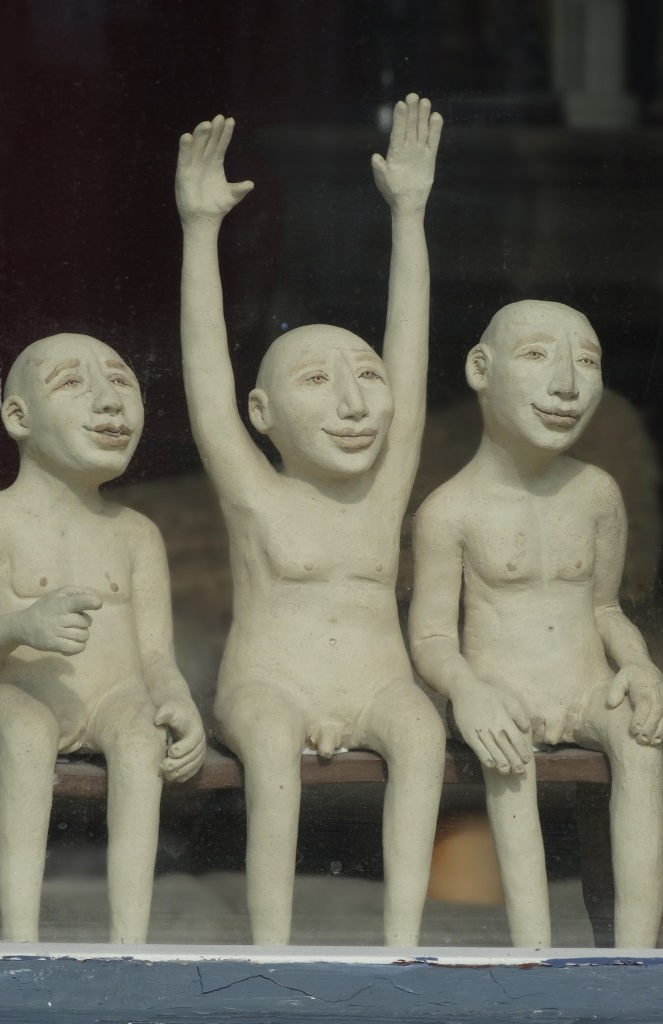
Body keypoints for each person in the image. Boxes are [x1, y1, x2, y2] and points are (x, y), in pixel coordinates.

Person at [175, 96, 446, 945]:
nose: (355, 404)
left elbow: (410, 347)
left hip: (377, 683)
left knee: (422, 733)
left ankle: (404, 947)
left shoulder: (384, 489)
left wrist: (409, 213)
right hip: (270, 686)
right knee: (272, 749)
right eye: (318, 382)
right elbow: (206, 380)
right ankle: (273, 950)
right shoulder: (256, 493)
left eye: (366, 377)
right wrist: (199, 230)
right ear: (262, 414)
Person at [409, 299, 663, 947]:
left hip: (586, 686)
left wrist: (639, 665)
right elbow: (432, 637)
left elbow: (606, 609)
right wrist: (468, 690)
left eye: (588, 362)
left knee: (640, 742)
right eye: (536, 355)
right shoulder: (450, 510)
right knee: (509, 764)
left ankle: (636, 964)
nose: (566, 385)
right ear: (481, 369)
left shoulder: (598, 494)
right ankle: (536, 957)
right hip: (504, 692)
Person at [0, 333, 206, 943]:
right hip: (16, 693)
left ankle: (130, 945)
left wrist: (179, 701)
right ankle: (21, 940)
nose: (110, 402)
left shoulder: (137, 533)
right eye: (72, 382)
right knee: (28, 735)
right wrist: (18, 626)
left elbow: (156, 653)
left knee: (141, 737)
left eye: (123, 382)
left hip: (114, 695)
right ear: (18, 417)